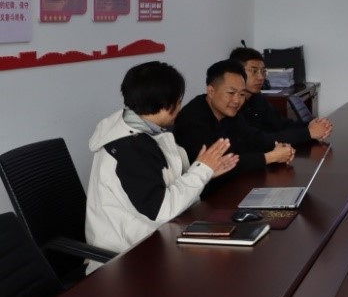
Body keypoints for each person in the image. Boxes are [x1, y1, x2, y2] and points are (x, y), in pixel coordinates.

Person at [85, 61, 239, 270]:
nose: (180, 107)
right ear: (167, 104)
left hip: (158, 241)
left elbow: (168, 184)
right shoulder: (127, 149)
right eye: (179, 101)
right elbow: (160, 210)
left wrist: (203, 171)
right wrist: (201, 171)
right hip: (128, 261)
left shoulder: (148, 132)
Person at [173, 59, 296, 183]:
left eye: (242, 94)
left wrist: (280, 148)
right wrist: (270, 157)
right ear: (211, 91)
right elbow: (220, 165)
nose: (237, 100)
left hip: (233, 183)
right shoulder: (191, 120)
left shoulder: (229, 112)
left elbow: (253, 139)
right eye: (231, 93)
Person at [229, 46, 332, 145]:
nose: (261, 77)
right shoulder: (231, 105)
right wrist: (308, 133)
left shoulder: (257, 98)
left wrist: (312, 125)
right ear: (237, 72)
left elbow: (282, 125)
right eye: (254, 71)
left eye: (263, 71)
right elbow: (258, 140)